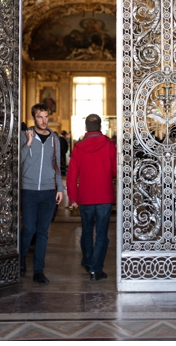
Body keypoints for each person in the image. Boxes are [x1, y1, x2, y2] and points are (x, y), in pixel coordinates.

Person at [66, 113, 117, 281]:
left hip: (86, 197)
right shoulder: (110, 145)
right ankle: (96, 269)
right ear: (101, 127)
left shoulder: (78, 147)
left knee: (87, 231)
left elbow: (72, 175)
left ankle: (88, 262)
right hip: (104, 196)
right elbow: (116, 171)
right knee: (102, 234)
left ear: (86, 128)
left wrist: (73, 197)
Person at [19, 104, 65, 284]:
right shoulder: (24, 136)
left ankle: (39, 270)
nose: (44, 121)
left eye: (46, 117)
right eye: (40, 117)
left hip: (48, 190)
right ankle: (21, 259)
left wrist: (59, 188)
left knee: (43, 232)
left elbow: (57, 164)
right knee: (29, 228)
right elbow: (18, 161)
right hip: (28, 189)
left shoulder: (54, 139)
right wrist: (28, 143)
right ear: (34, 118)